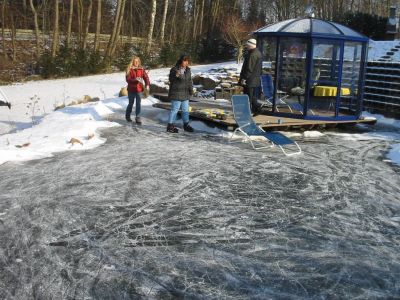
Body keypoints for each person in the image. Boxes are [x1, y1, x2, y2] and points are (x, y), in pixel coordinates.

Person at [166, 55, 194, 133]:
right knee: (175, 110)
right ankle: (170, 126)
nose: (186, 62)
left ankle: (186, 125)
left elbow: (189, 81)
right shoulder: (175, 69)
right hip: (176, 93)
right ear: (181, 61)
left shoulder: (188, 70)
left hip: (185, 94)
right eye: (184, 61)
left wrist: (191, 90)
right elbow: (171, 79)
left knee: (185, 110)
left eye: (187, 61)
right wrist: (176, 75)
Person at [239, 38, 262, 115]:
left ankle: (256, 109)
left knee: (248, 96)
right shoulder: (257, 53)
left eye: (248, 45)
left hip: (250, 79)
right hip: (253, 79)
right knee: (250, 95)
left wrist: (244, 79)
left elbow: (249, 68)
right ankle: (255, 109)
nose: (247, 47)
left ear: (251, 45)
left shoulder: (253, 55)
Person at [125, 56, 150, 124]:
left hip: (139, 89)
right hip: (131, 90)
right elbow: (128, 80)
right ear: (132, 62)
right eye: (135, 61)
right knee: (131, 103)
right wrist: (135, 80)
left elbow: (146, 77)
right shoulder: (129, 69)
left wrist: (147, 84)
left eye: (137, 61)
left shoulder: (141, 69)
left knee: (138, 104)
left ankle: (138, 117)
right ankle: (127, 116)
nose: (136, 63)